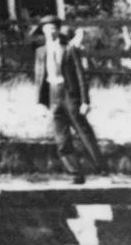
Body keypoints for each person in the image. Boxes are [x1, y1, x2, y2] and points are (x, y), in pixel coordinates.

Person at [34, 14, 105, 182]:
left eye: (53, 29)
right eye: (46, 29)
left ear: (58, 30)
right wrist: (39, 102)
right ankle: (75, 173)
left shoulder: (69, 49)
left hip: (69, 94)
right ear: (43, 32)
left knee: (83, 132)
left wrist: (85, 101)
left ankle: (101, 168)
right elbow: (38, 78)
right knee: (61, 138)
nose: (50, 32)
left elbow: (80, 76)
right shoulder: (40, 52)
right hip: (53, 94)